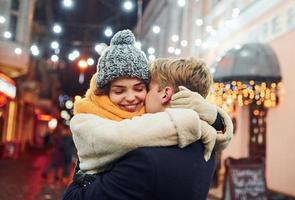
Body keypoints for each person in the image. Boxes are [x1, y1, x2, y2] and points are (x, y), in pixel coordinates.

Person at [62, 30, 233, 200]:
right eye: (120, 90)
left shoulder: (143, 159)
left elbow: (74, 197)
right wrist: (215, 118)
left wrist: (81, 173)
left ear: (165, 94)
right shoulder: (206, 147)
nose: (132, 98)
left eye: (143, 87)